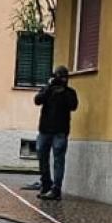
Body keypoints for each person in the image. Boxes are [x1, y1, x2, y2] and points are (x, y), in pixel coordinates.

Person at [24, 66, 78, 201]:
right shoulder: (47, 90)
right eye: (60, 77)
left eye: (64, 77)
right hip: (45, 130)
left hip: (60, 131)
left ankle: (56, 189)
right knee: (42, 156)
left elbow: (73, 106)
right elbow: (37, 100)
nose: (62, 80)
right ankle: (46, 183)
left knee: (58, 160)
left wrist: (63, 91)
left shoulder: (70, 92)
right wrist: (49, 87)